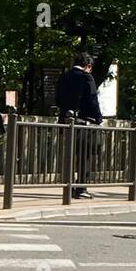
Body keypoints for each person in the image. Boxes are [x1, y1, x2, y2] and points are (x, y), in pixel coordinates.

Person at [55, 51, 102, 198]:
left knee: (70, 155)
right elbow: (93, 100)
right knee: (84, 157)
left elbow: (57, 98)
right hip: (84, 123)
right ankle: (80, 187)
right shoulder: (87, 78)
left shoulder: (64, 77)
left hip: (66, 121)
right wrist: (98, 118)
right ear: (88, 66)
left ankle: (67, 186)